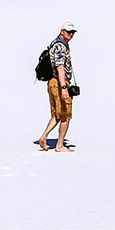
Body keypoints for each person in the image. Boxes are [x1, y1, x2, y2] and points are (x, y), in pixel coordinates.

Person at [37, 22, 78, 152]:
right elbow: (60, 68)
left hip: (54, 83)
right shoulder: (60, 46)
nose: (70, 34)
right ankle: (59, 145)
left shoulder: (56, 43)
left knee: (57, 115)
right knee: (66, 115)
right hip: (59, 83)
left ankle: (44, 137)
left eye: (72, 32)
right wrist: (64, 87)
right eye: (68, 32)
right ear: (62, 31)